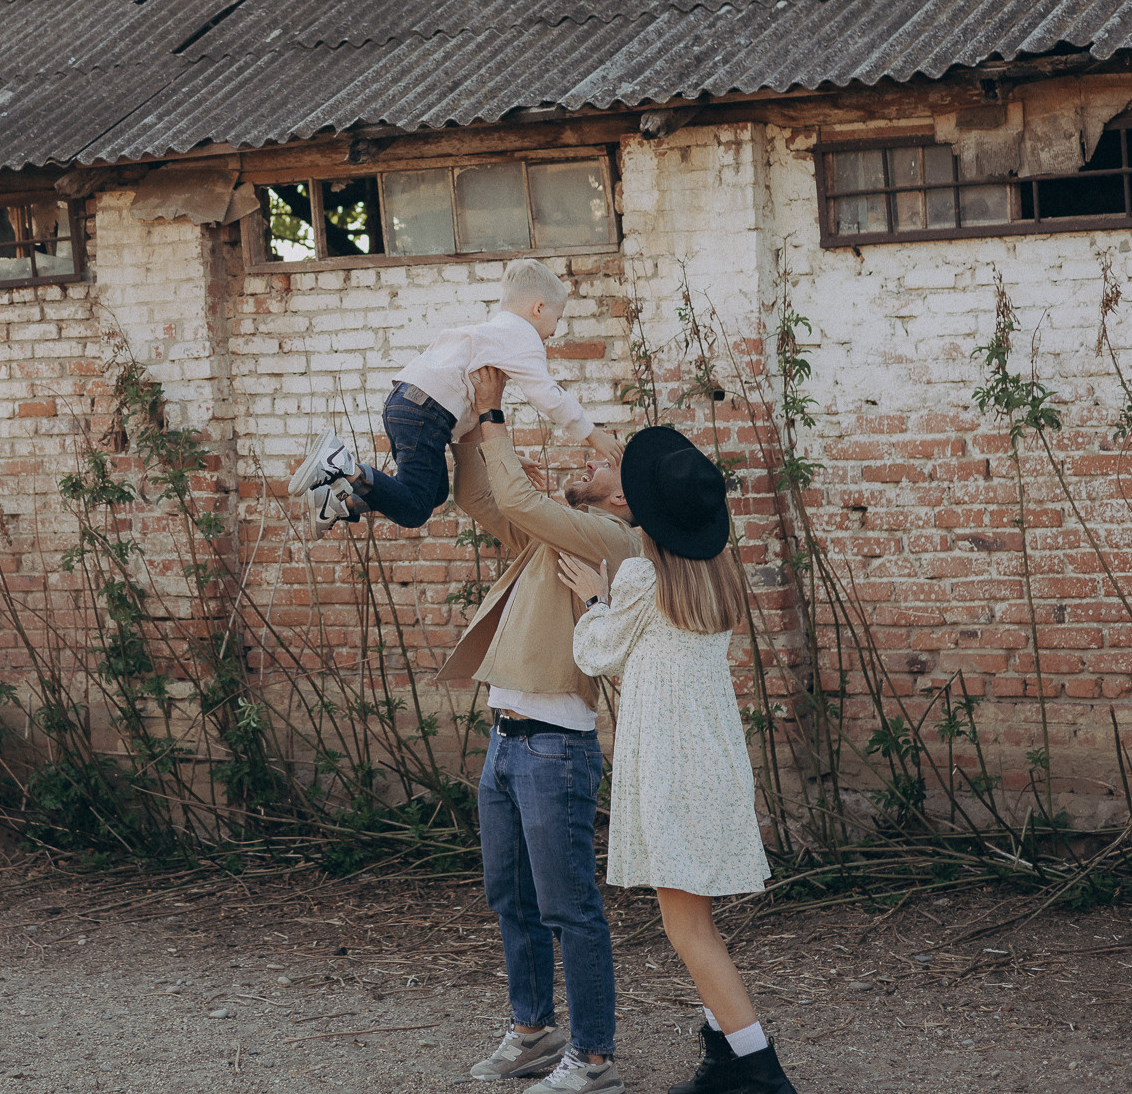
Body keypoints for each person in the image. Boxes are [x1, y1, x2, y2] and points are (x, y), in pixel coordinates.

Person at [561, 425, 797, 1094]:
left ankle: (758, 1068)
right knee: (694, 915)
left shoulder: (638, 576)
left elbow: (598, 654)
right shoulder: (717, 574)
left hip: (669, 760)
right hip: (710, 754)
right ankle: (725, 1053)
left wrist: (593, 598)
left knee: (685, 923)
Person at [439, 366, 635, 1094]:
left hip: (556, 747)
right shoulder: (554, 535)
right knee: (511, 899)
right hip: (506, 741)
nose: (588, 459)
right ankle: (533, 1031)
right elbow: (481, 495)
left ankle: (594, 1057)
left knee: (568, 908)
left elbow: (516, 492)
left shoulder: (610, 537)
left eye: (601, 460)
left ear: (622, 494)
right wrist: (459, 421)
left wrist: (495, 406)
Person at [287, 258, 623, 532]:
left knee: (433, 493)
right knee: (417, 509)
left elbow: (471, 410)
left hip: (408, 405)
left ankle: (340, 502)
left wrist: (499, 455)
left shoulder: (493, 335)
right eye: (557, 319)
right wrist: (591, 434)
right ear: (538, 308)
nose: (554, 331)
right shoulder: (523, 337)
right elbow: (548, 396)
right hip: (425, 414)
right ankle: (341, 466)